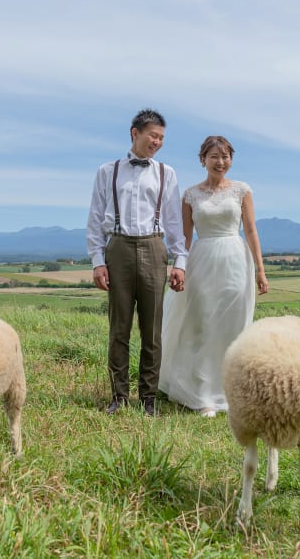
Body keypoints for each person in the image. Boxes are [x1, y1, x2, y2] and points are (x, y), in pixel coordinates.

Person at [86, 109, 187, 417]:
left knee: (152, 329)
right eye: (152, 135)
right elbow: (94, 218)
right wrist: (97, 260)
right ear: (135, 133)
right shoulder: (108, 171)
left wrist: (180, 260)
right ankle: (118, 396)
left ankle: (149, 398)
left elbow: (173, 221)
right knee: (118, 328)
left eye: (161, 138)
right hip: (117, 246)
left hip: (154, 247)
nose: (157, 142)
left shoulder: (166, 173)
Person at [159, 135, 269, 417]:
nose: (221, 162)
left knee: (233, 326)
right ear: (203, 160)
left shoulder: (242, 191)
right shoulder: (190, 195)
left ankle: (232, 390)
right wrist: (178, 266)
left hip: (235, 258)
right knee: (202, 323)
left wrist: (260, 269)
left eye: (226, 157)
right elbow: (184, 237)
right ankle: (203, 394)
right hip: (202, 260)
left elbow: (251, 230)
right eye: (214, 157)